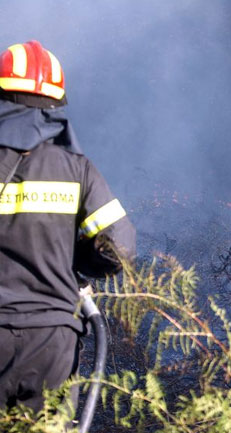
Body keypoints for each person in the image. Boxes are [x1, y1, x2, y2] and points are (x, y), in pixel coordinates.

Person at [0, 40, 136, 412]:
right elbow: (120, 246)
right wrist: (77, 263)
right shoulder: (77, 169)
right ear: (56, 104)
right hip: (53, 341)